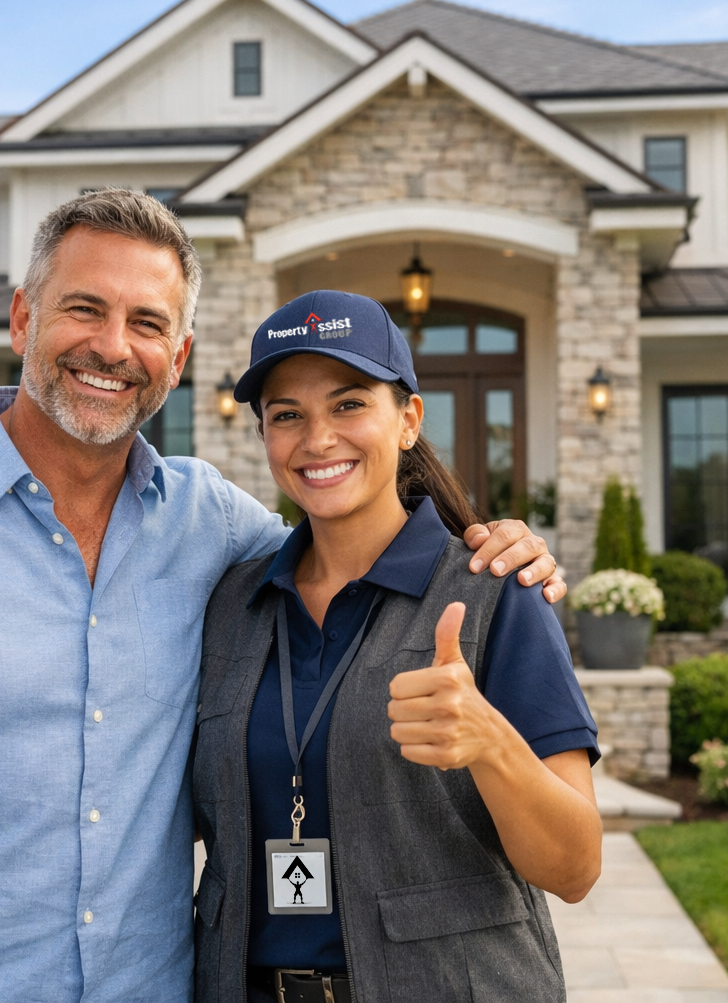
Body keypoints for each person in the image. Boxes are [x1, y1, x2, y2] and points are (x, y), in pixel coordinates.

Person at [0, 191, 565, 1003]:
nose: (112, 347)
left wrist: (486, 552)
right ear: (23, 318)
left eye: (147, 323)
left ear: (180, 355)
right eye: (84, 309)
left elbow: (354, 544)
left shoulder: (215, 529)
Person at [192, 290, 602, 1003]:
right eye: (287, 415)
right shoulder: (232, 605)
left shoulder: (494, 592)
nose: (318, 439)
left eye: (349, 404)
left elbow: (575, 869)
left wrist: (490, 741)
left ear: (408, 419)